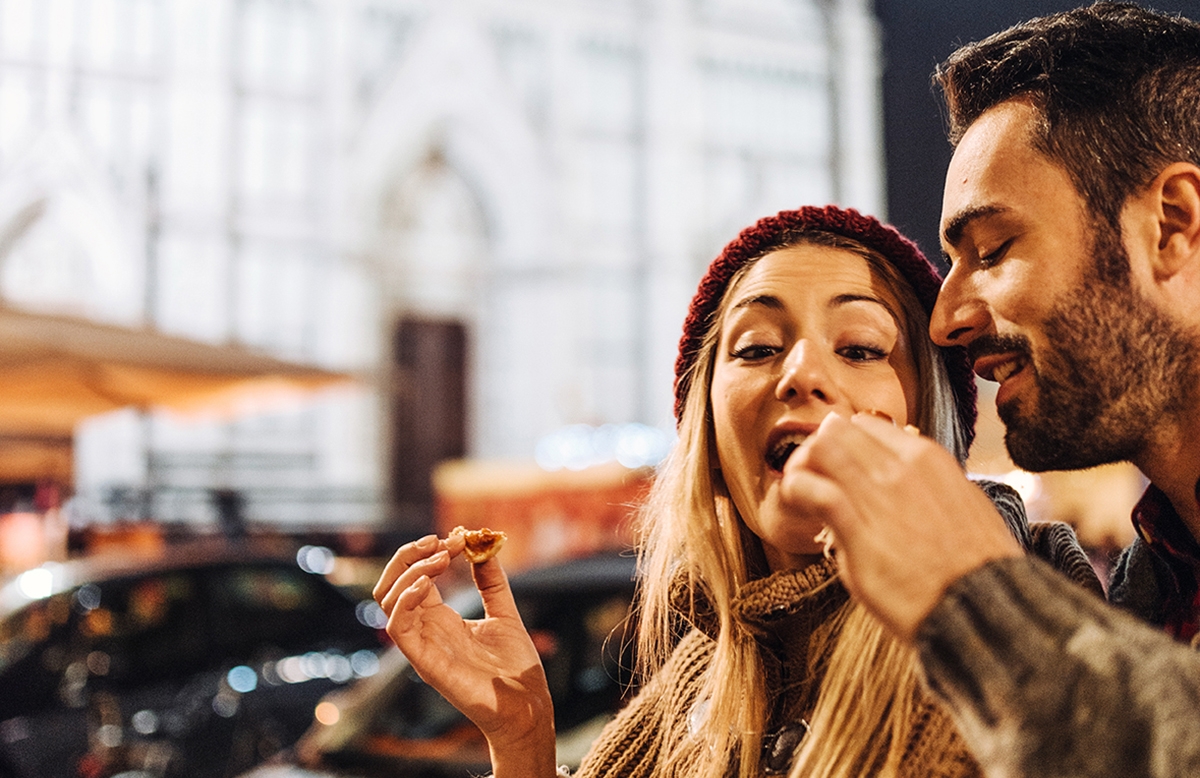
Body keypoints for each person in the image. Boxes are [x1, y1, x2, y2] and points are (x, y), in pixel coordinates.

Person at [372, 205, 1101, 778]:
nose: (803, 372)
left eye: (859, 347)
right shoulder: (702, 673)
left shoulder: (1027, 649)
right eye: (755, 348)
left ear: (927, 416)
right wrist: (524, 739)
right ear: (710, 441)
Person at [783, 4, 1200, 777]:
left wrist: (974, 596)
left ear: (1171, 224)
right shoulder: (1161, 578)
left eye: (993, 248)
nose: (945, 319)